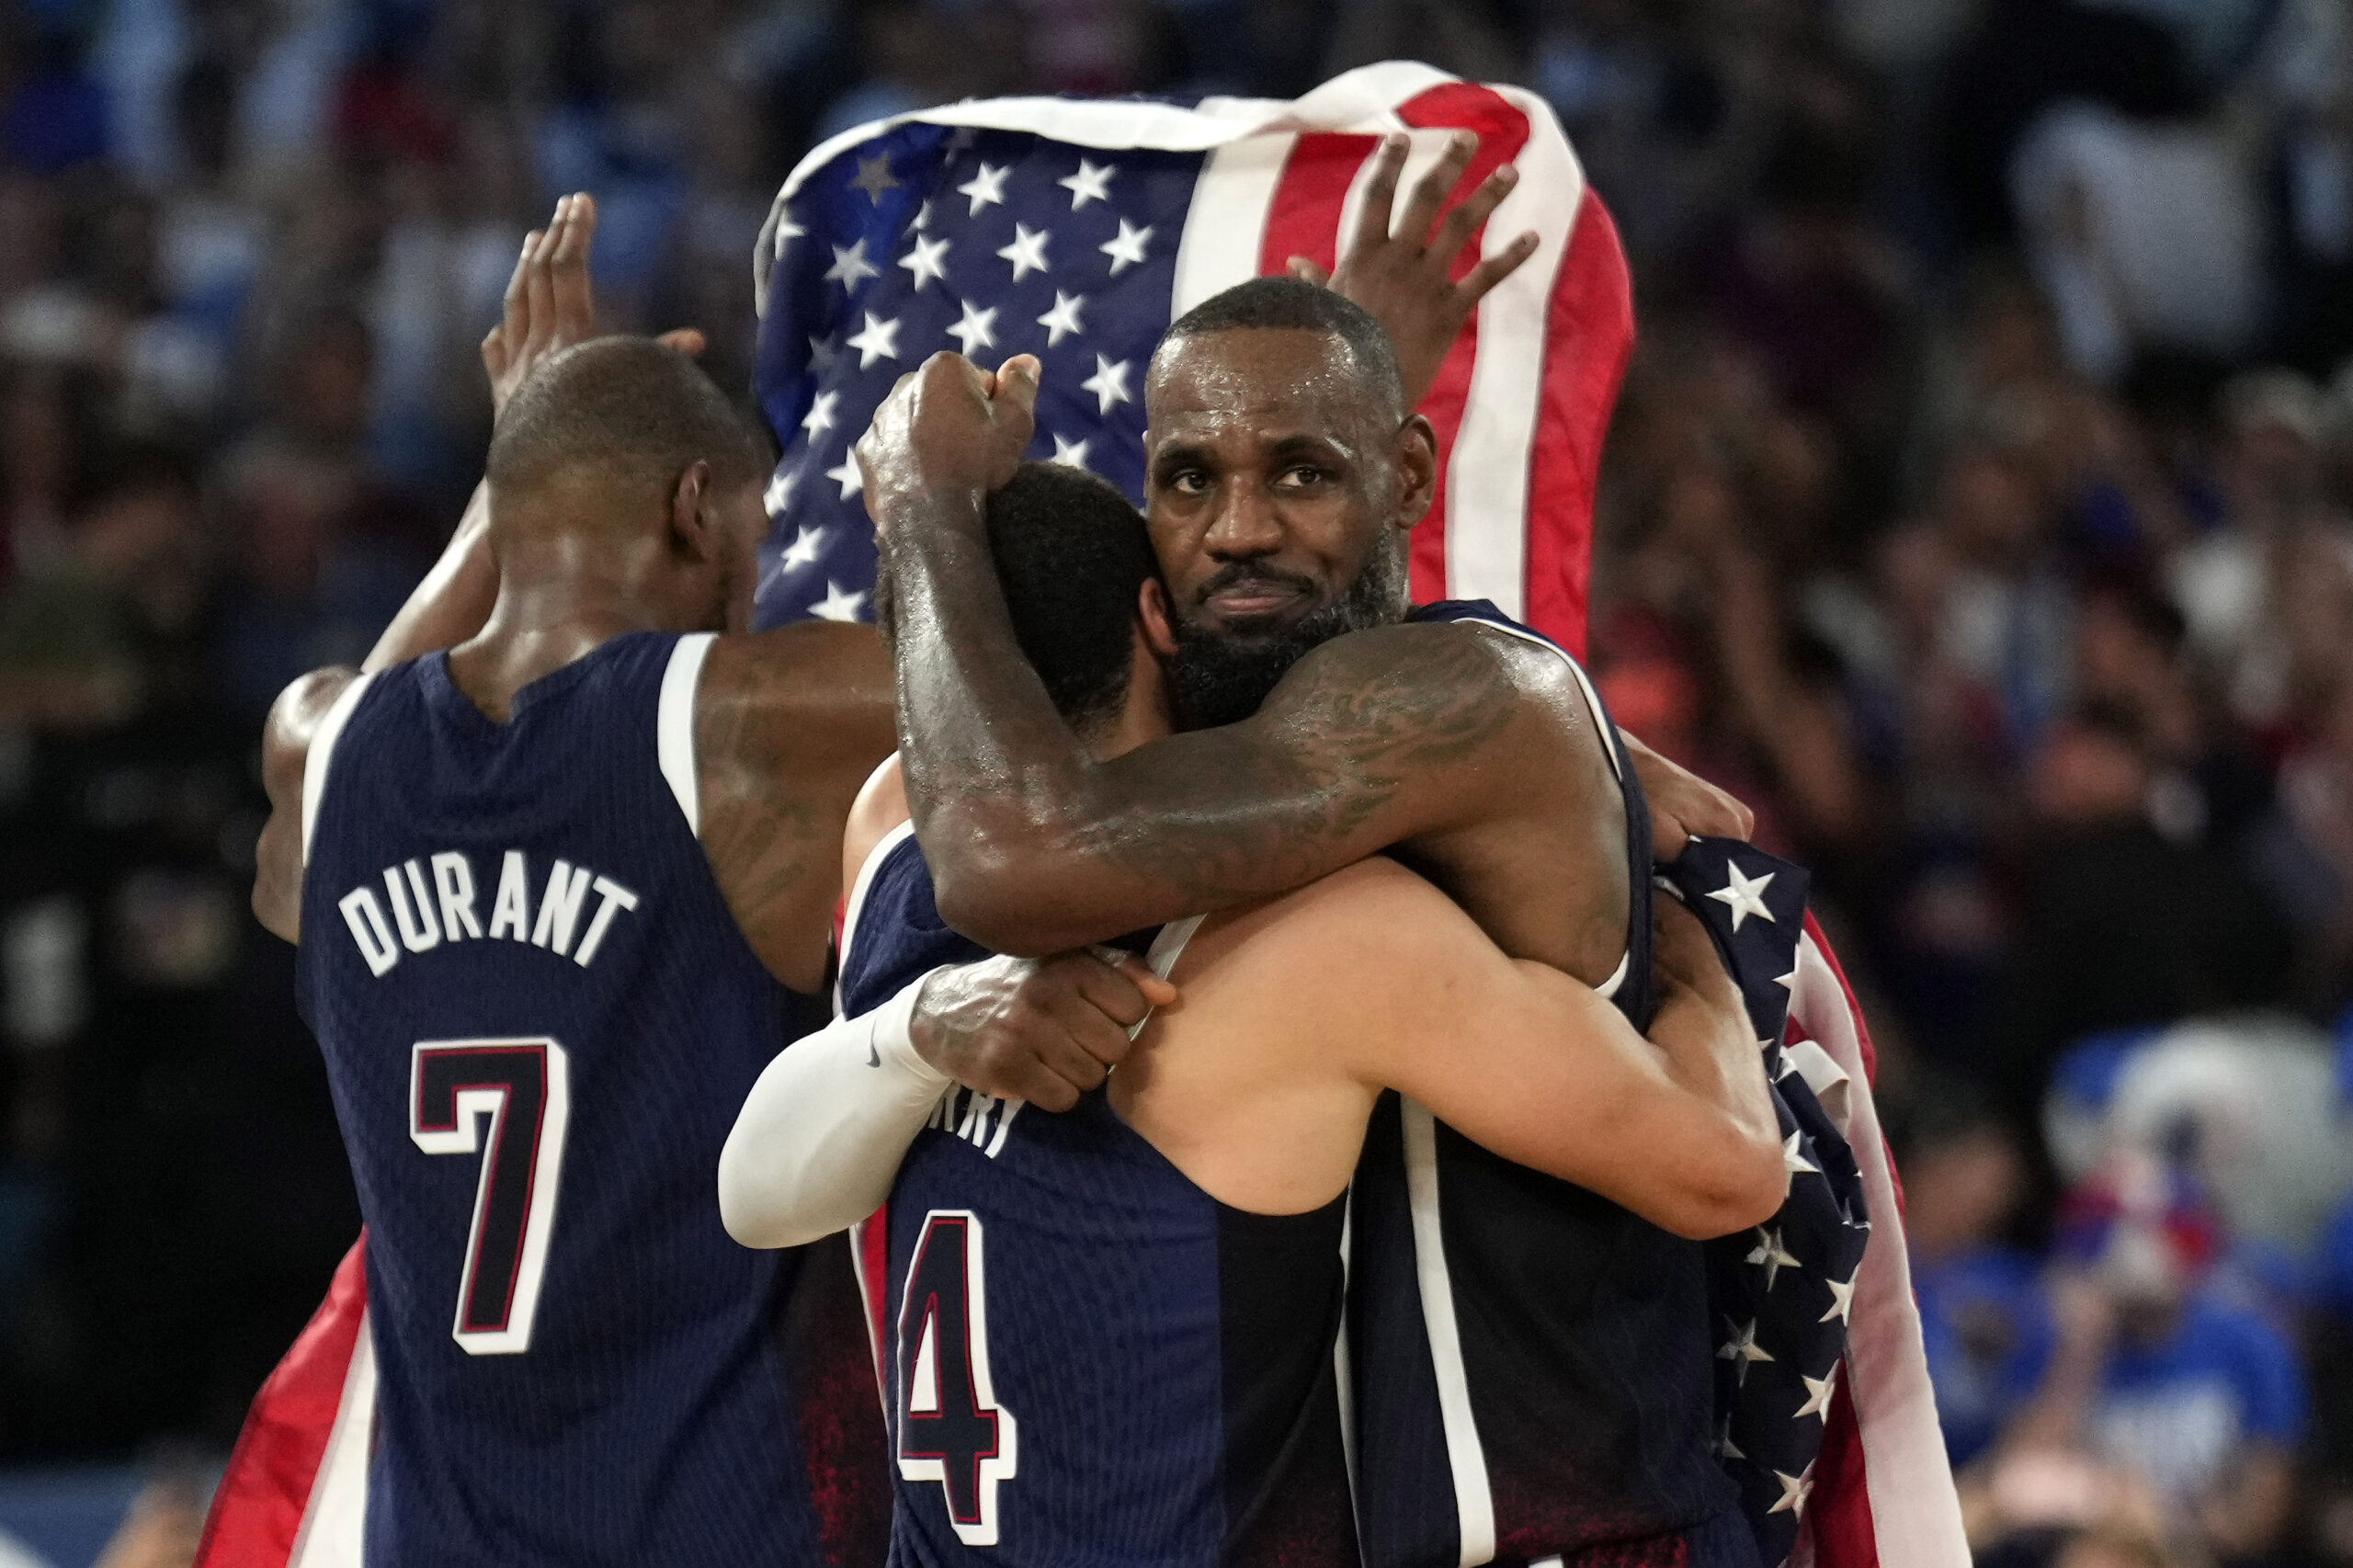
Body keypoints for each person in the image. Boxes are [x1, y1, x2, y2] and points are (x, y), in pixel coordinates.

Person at [855, 194, 1786, 1561]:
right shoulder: (1271, 759)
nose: (1236, 526)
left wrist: (924, 507)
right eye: (1190, 480)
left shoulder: (1449, 702)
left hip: (1587, 1526)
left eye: (1300, 471)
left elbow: (1009, 856)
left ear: (1406, 477)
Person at [245, 195, 1158, 1568]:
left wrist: (512, 472)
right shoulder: (738, 720)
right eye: (753, 531)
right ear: (691, 507)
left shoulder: (325, 743)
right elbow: (1053, 714)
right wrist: (928, 509)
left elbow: (300, 852)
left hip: (437, 1537)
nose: (759, 580)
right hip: (725, 1523)